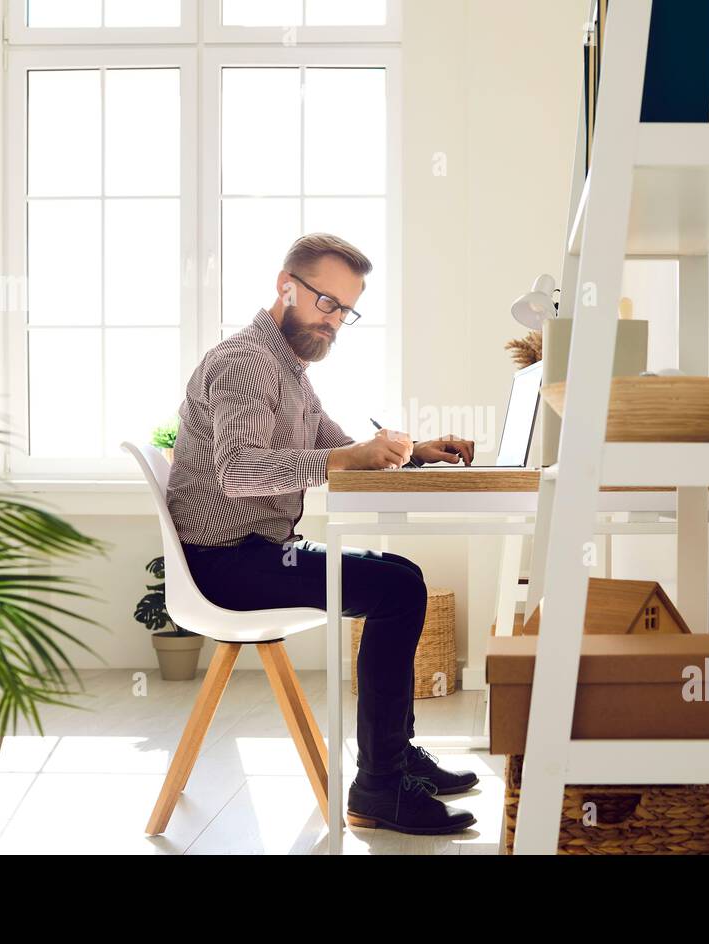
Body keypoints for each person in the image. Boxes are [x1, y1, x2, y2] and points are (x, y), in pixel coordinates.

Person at [167, 232, 479, 836]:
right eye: (325, 303)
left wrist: (414, 451)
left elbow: (337, 445)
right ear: (286, 287)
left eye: (345, 310)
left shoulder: (288, 370)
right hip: (223, 565)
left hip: (259, 553)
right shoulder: (241, 364)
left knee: (403, 578)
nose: (334, 321)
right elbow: (240, 473)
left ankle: (396, 756)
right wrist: (351, 458)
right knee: (397, 592)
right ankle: (380, 787)